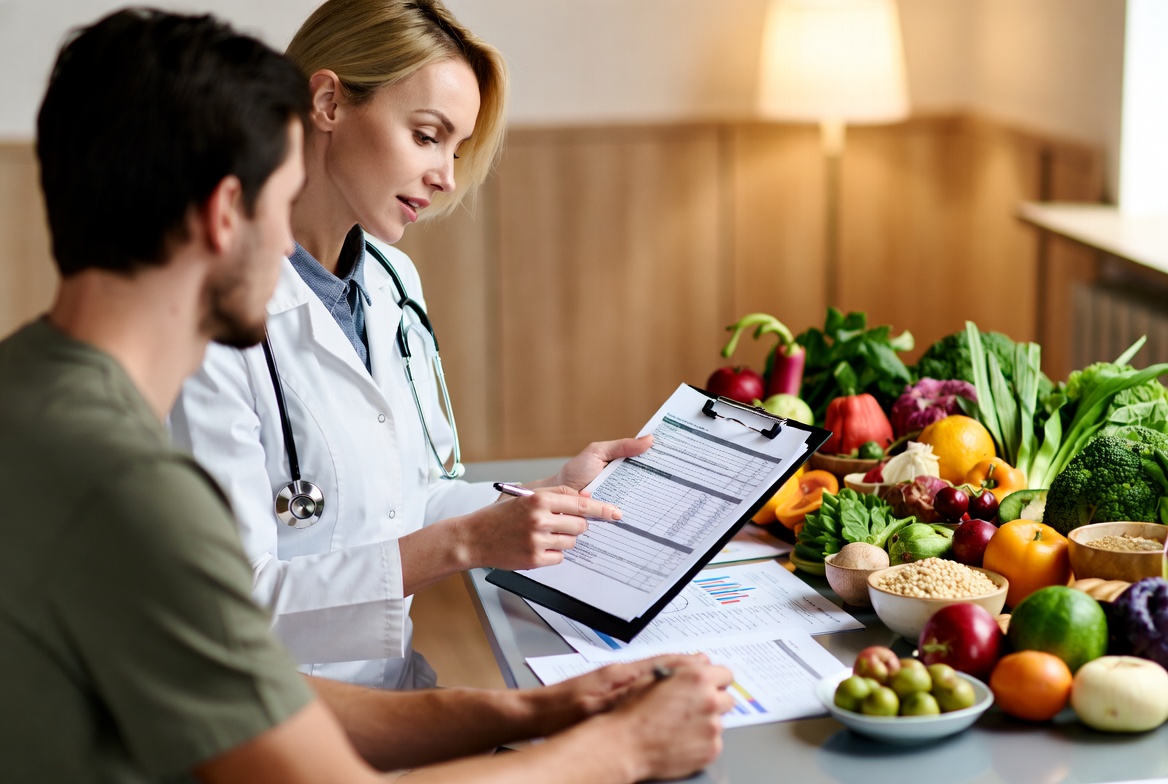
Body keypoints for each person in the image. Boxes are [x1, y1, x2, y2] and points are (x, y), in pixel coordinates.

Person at [0, 8, 734, 783]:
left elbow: (264, 699)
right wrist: (623, 749)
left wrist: (541, 712)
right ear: (224, 215)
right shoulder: (128, 488)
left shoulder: (30, 390)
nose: (291, 248)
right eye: (278, 199)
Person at [168, 0, 652, 690]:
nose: (447, 176)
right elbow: (233, 611)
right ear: (329, 101)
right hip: (267, 717)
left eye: (456, 150)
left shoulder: (392, 279)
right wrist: (465, 543)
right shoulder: (209, 311)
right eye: (428, 136)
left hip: (387, 690)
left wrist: (544, 496)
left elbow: (412, 499)